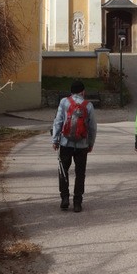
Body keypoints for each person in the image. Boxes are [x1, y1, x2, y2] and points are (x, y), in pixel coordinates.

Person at [52, 79, 97, 213]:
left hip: (66, 143)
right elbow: (92, 127)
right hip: (82, 145)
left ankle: (64, 198)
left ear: (71, 92)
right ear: (83, 91)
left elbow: (58, 121)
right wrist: (90, 143)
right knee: (80, 173)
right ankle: (77, 202)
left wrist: (55, 140)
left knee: (63, 170)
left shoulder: (64, 102)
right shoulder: (88, 105)